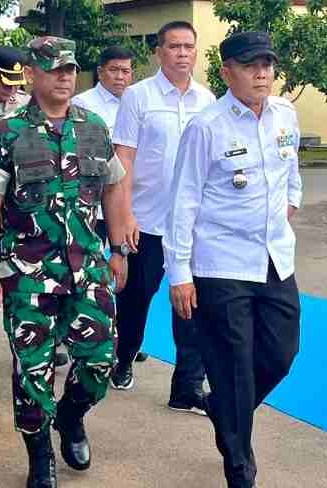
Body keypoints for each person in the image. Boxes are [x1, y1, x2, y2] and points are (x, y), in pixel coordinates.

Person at [0, 36, 128, 488]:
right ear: (31, 74)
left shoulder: (94, 126)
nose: (64, 77)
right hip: (28, 273)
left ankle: (72, 416)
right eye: (54, 69)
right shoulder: (7, 130)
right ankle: (40, 455)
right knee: (33, 372)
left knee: (100, 361)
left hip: (88, 268)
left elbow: (114, 187)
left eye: (69, 69)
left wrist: (119, 250)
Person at [164, 32, 302, 488]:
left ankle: (223, 407)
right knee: (235, 366)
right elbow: (183, 202)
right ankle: (239, 466)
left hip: (274, 258)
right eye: (249, 65)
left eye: (267, 64)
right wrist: (179, 274)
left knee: (281, 355)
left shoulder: (285, 115)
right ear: (227, 72)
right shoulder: (207, 127)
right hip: (220, 264)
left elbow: (292, 173)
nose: (261, 73)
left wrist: (290, 205)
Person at [109, 21, 214, 407]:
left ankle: (187, 387)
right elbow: (123, 158)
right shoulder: (138, 97)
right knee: (136, 300)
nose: (182, 53)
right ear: (158, 52)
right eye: (174, 46)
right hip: (147, 221)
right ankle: (123, 358)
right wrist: (126, 216)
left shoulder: (207, 100)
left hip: (193, 226)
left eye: (188, 46)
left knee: (192, 304)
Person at [72, 45, 134, 243]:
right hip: (95, 202)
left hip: (130, 201)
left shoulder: (136, 102)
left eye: (125, 71)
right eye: (114, 70)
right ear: (100, 72)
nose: (120, 77)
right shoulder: (82, 104)